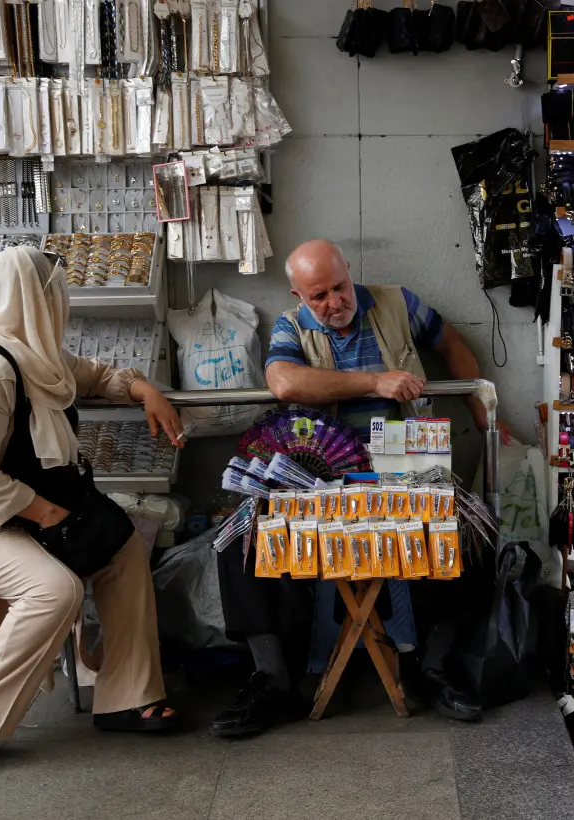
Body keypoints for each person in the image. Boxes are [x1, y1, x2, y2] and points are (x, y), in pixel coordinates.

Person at [0, 247, 185, 784]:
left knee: (124, 547)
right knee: (53, 590)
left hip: (19, 502)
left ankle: (127, 697)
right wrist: (50, 513)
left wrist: (144, 388)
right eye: (56, 294)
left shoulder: (33, 353)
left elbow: (92, 374)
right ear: (39, 301)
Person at [210, 239, 502, 738]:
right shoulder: (290, 324)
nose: (333, 302)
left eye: (339, 287)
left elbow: (451, 342)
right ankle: (274, 680)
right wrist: (374, 383)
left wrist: (481, 407)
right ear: (298, 295)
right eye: (318, 295)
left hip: (406, 464)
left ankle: (434, 666)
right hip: (318, 477)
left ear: (350, 273)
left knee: (475, 529)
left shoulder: (396, 302)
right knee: (237, 538)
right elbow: (283, 382)